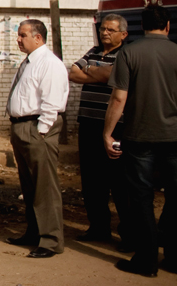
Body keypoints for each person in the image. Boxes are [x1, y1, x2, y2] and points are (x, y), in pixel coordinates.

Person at [104, 4, 177, 277]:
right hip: (174, 138)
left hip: (139, 136)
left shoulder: (129, 53)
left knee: (142, 197)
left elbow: (119, 98)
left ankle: (146, 261)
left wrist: (107, 133)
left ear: (140, 26)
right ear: (167, 26)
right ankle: (173, 256)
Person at [5, 19, 68, 259]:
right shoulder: (29, 62)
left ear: (38, 37)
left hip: (37, 128)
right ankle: (34, 232)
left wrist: (41, 132)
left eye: (22, 35)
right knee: (30, 187)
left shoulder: (49, 64)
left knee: (45, 187)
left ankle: (51, 240)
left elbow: (51, 103)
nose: (18, 40)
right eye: (18, 35)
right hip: (22, 128)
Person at [67, 13, 130, 245]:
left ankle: (128, 233)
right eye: (103, 29)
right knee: (92, 181)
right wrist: (101, 74)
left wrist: (94, 72)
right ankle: (98, 228)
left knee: (119, 181)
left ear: (123, 34)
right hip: (88, 125)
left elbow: (114, 77)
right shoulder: (93, 52)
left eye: (110, 30)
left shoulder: (125, 54)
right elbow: (73, 73)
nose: (105, 33)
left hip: (114, 128)